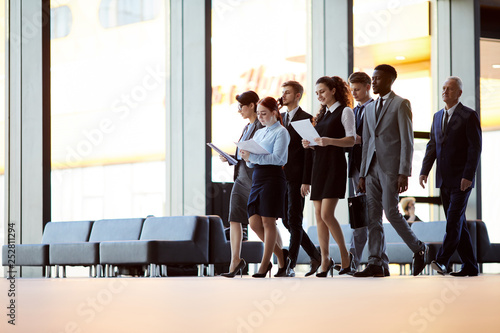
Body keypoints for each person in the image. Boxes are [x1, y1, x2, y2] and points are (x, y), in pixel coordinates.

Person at [354, 64, 427, 278]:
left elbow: (408, 140)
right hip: (370, 170)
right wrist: (362, 174)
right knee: (372, 217)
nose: (373, 82)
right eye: (373, 79)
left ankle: (419, 248)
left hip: (391, 169)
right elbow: (367, 142)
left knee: (391, 212)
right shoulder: (368, 108)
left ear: (389, 80)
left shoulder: (401, 104)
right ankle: (376, 262)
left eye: (377, 79)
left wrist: (404, 172)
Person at [420, 76, 482, 277]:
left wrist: (468, 175)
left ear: (459, 93)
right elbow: (432, 147)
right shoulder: (437, 116)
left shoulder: (468, 115)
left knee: (453, 221)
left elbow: (475, 149)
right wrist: (424, 171)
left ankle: (442, 261)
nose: (445, 91)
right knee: (459, 223)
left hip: (462, 180)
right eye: (444, 88)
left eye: (450, 89)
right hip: (444, 180)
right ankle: (470, 266)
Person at [302, 76, 355, 277]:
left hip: (335, 165)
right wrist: (310, 144)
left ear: (333, 90)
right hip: (320, 166)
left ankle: (345, 256)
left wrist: (328, 141)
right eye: (317, 93)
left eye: (322, 91)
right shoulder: (322, 115)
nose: (320, 96)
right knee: (318, 216)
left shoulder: (346, 111)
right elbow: (319, 142)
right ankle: (325, 260)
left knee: (326, 214)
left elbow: (350, 140)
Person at [240, 97, 290, 278]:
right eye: (259, 114)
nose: (260, 117)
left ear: (274, 113)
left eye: (264, 113)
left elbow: (279, 159)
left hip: (273, 178)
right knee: (254, 222)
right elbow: (253, 163)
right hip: (258, 177)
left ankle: (264, 265)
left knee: (268, 222)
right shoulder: (259, 133)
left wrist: (253, 158)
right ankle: (282, 256)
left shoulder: (281, 132)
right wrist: (247, 157)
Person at [279, 80, 322, 277]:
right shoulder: (279, 118)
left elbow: (309, 153)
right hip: (282, 176)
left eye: (287, 93)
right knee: (287, 221)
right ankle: (315, 254)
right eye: (283, 92)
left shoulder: (308, 119)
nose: (283, 96)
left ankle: (291, 263)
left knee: (294, 220)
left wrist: (307, 180)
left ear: (297, 96)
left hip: (298, 177)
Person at [220, 91, 263, 278]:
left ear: (252, 105)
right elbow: (243, 156)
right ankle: (235, 261)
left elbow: (261, 153)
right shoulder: (246, 127)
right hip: (240, 178)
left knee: (262, 222)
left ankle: (280, 255)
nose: (239, 110)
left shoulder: (262, 126)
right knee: (234, 218)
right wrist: (230, 159)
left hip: (255, 179)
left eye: (241, 106)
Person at [346, 71, 373, 271]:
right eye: (351, 89)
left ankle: (373, 260)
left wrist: (361, 140)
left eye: (357, 89)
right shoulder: (353, 111)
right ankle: (353, 260)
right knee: (358, 214)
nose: (354, 93)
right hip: (355, 167)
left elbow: (378, 139)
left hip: (371, 167)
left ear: (367, 87)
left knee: (371, 215)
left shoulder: (375, 108)